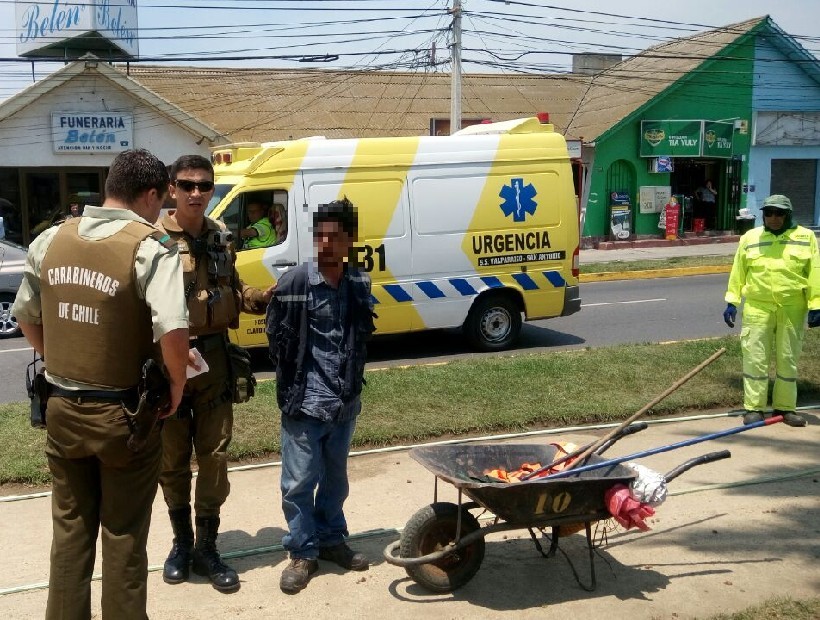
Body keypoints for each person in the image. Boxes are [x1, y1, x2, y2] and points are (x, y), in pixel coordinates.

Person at [11, 149, 191, 620]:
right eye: (162, 200)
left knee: (69, 533)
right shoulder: (150, 246)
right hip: (124, 418)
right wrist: (175, 385)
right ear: (150, 194)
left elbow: (26, 316)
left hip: (61, 410)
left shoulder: (50, 241)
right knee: (124, 534)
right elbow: (172, 329)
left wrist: (59, 356)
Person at [157, 155, 276, 593]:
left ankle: (207, 547)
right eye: (186, 185)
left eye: (204, 185)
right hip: (170, 365)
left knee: (215, 458)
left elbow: (233, 290)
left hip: (214, 364)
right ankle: (181, 544)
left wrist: (261, 297)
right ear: (171, 188)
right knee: (171, 461)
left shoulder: (222, 239)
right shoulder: (152, 241)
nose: (195, 193)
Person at [266, 197, 376, 594]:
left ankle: (331, 540)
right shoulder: (296, 281)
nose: (325, 243)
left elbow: (361, 338)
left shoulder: (360, 282)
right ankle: (301, 551)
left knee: (336, 480)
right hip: (305, 402)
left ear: (351, 239)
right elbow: (275, 336)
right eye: (320, 235)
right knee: (298, 482)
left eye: (334, 236)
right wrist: (294, 382)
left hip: (343, 403)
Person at [723, 194, 819, 428]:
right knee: (755, 358)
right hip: (758, 307)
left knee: (788, 358)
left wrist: (816, 304)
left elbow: (815, 272)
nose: (774, 218)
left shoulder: (806, 238)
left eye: (779, 213)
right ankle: (754, 408)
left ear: (789, 214)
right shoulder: (750, 238)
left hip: (792, 307)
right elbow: (738, 271)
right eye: (769, 213)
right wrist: (732, 302)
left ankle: (785, 408)